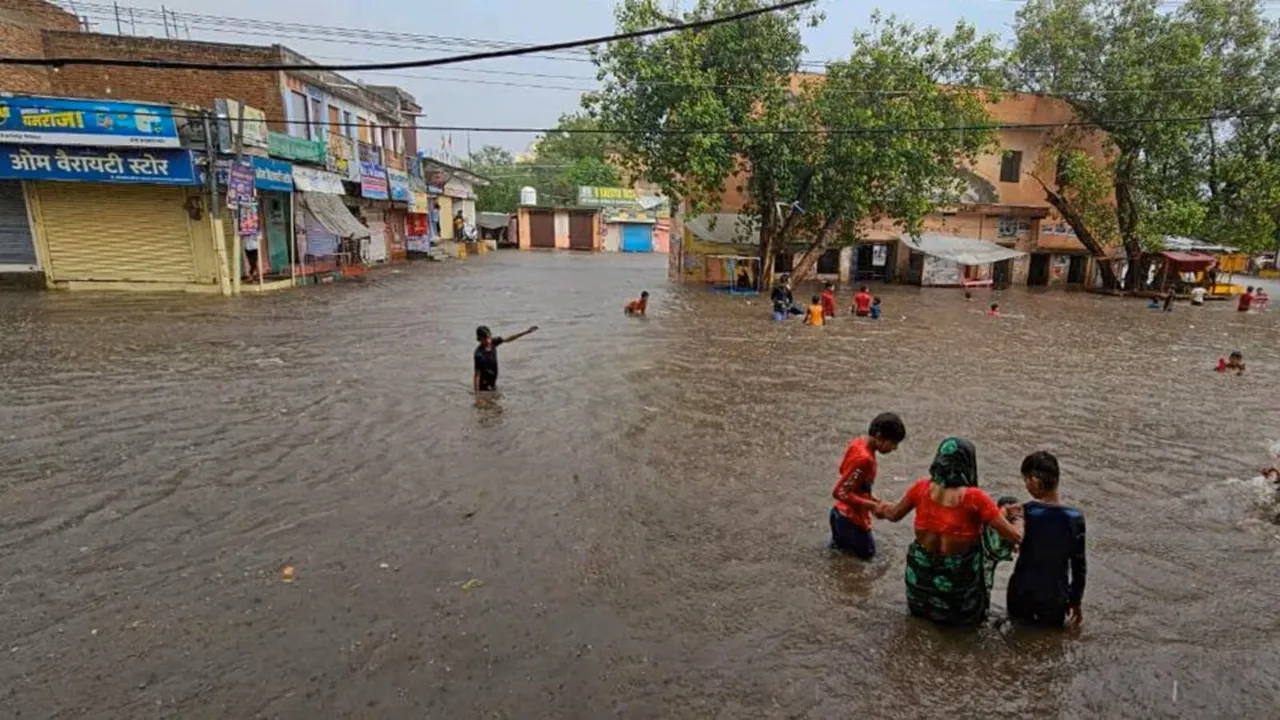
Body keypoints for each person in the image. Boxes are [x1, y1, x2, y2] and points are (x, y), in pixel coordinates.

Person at [878, 437, 1023, 626]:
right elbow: (1015, 536)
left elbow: (894, 514)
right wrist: (1018, 516)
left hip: (919, 582)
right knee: (960, 629)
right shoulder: (974, 498)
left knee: (920, 622)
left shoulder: (920, 489)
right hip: (955, 589)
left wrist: (877, 507)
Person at [1007, 451, 1087, 629]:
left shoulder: (1024, 512)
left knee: (1016, 635)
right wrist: (1075, 601)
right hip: (1055, 599)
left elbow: (1008, 544)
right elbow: (1079, 566)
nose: (1026, 485)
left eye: (1026, 480)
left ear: (1034, 481)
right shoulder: (1075, 519)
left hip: (1021, 593)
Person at [830, 413, 907, 560]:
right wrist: (871, 506)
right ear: (879, 437)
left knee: (842, 558)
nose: (895, 448)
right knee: (868, 558)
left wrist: (874, 500)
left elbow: (847, 475)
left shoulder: (858, 443)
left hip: (839, 515)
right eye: (893, 443)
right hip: (850, 520)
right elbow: (839, 492)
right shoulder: (864, 459)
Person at [473, 324, 538, 392]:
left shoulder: (493, 342)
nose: (488, 340)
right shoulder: (479, 354)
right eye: (485, 338)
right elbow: (477, 375)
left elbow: (508, 339)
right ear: (480, 339)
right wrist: (477, 394)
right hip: (484, 386)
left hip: (493, 383)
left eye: (489, 337)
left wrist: (526, 332)